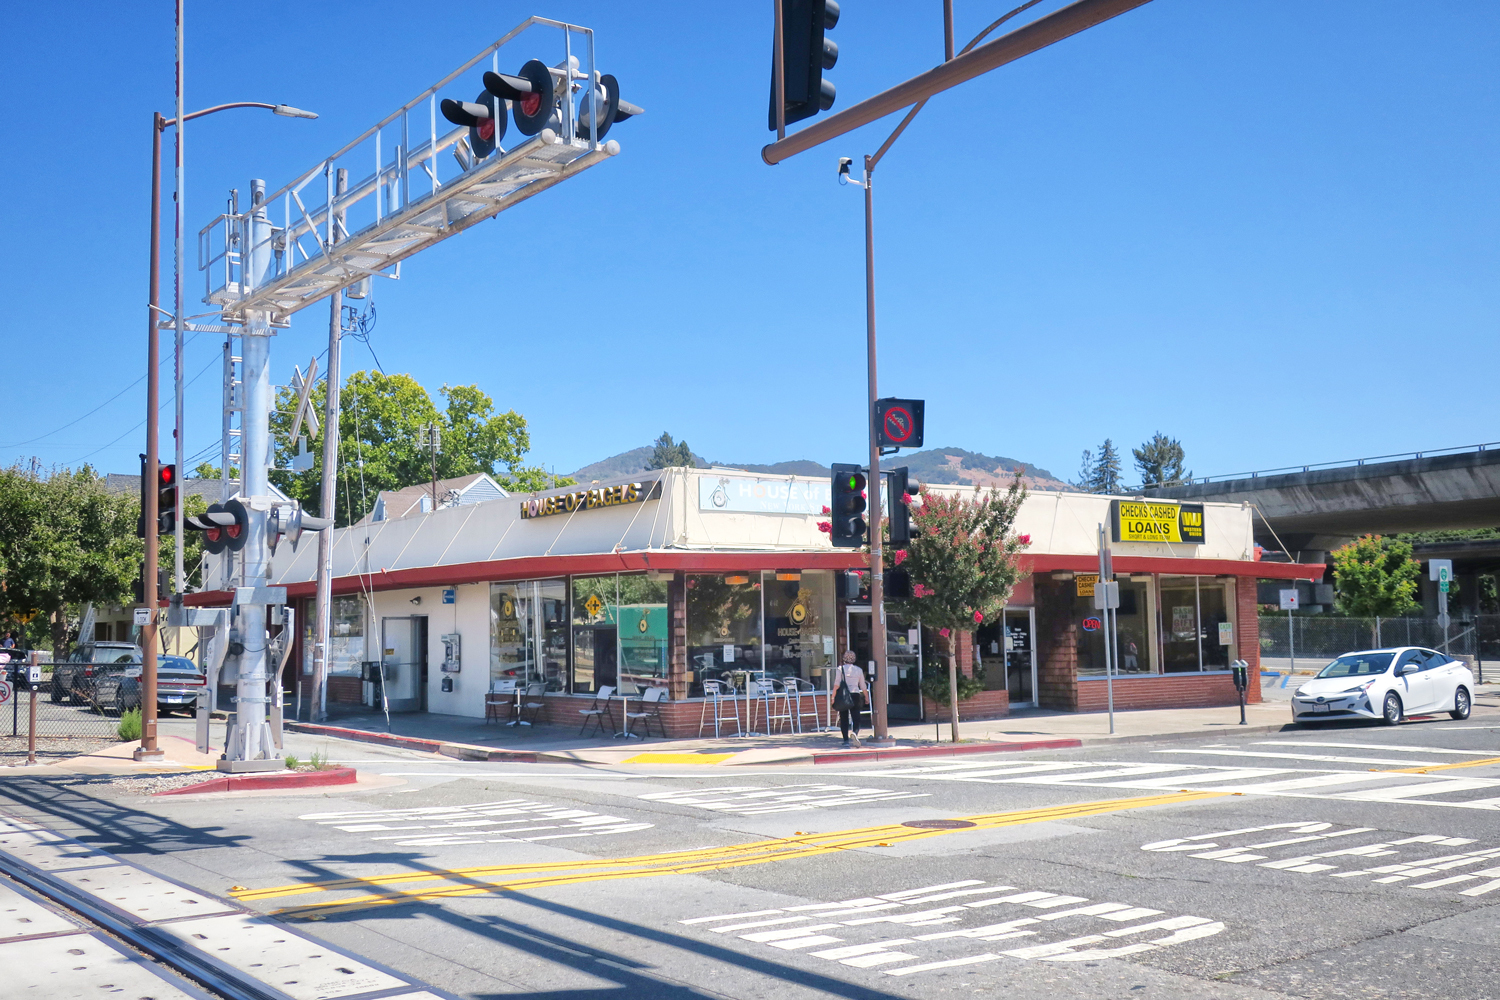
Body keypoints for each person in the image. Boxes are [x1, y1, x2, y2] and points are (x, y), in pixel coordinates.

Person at [832, 651, 870, 748]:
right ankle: (855, 733)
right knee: (856, 717)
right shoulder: (858, 670)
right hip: (855, 694)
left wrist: (833, 697)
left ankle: (845, 740)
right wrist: (866, 697)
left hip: (844, 695)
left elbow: (837, 684)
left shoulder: (840, 669)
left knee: (844, 718)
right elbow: (863, 685)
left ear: (844, 659)